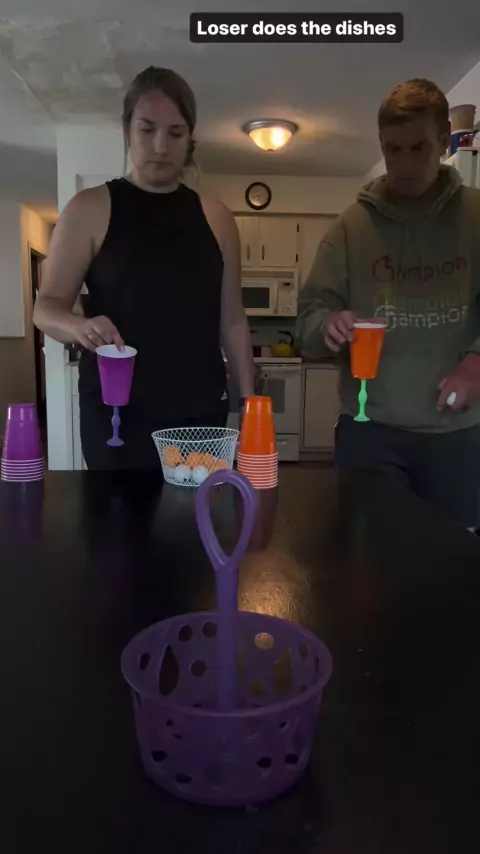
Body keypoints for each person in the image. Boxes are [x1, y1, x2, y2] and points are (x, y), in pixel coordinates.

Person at [34, 66, 255, 470]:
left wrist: (251, 406)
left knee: (193, 511)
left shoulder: (217, 218)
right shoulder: (88, 209)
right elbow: (46, 308)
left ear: (190, 139)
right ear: (127, 130)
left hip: (199, 413)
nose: (160, 146)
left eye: (175, 133)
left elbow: (233, 320)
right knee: (116, 511)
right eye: (147, 129)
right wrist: (80, 327)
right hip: (116, 415)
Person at [295, 78, 480, 530]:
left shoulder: (476, 216)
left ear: (444, 141)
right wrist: (327, 325)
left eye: (418, 148)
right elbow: (309, 320)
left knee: (452, 559)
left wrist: (477, 361)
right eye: (392, 149)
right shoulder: (350, 229)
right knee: (369, 561)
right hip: (369, 432)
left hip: (457, 433)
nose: (404, 164)